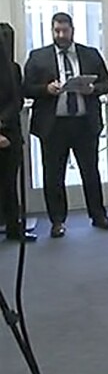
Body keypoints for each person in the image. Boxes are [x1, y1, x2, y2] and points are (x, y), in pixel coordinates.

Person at [22, 12, 108, 238]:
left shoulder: (90, 54)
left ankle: (99, 215)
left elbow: (107, 83)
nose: (61, 35)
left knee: (90, 172)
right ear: (52, 31)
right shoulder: (38, 56)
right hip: (53, 126)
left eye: (65, 30)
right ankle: (57, 221)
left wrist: (93, 89)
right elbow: (25, 88)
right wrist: (46, 89)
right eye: (57, 31)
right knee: (54, 176)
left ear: (72, 30)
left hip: (84, 124)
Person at [0, 38, 35, 242]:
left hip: (10, 132)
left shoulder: (11, 68)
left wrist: (2, 121)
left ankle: (14, 227)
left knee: (10, 183)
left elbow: (17, 100)